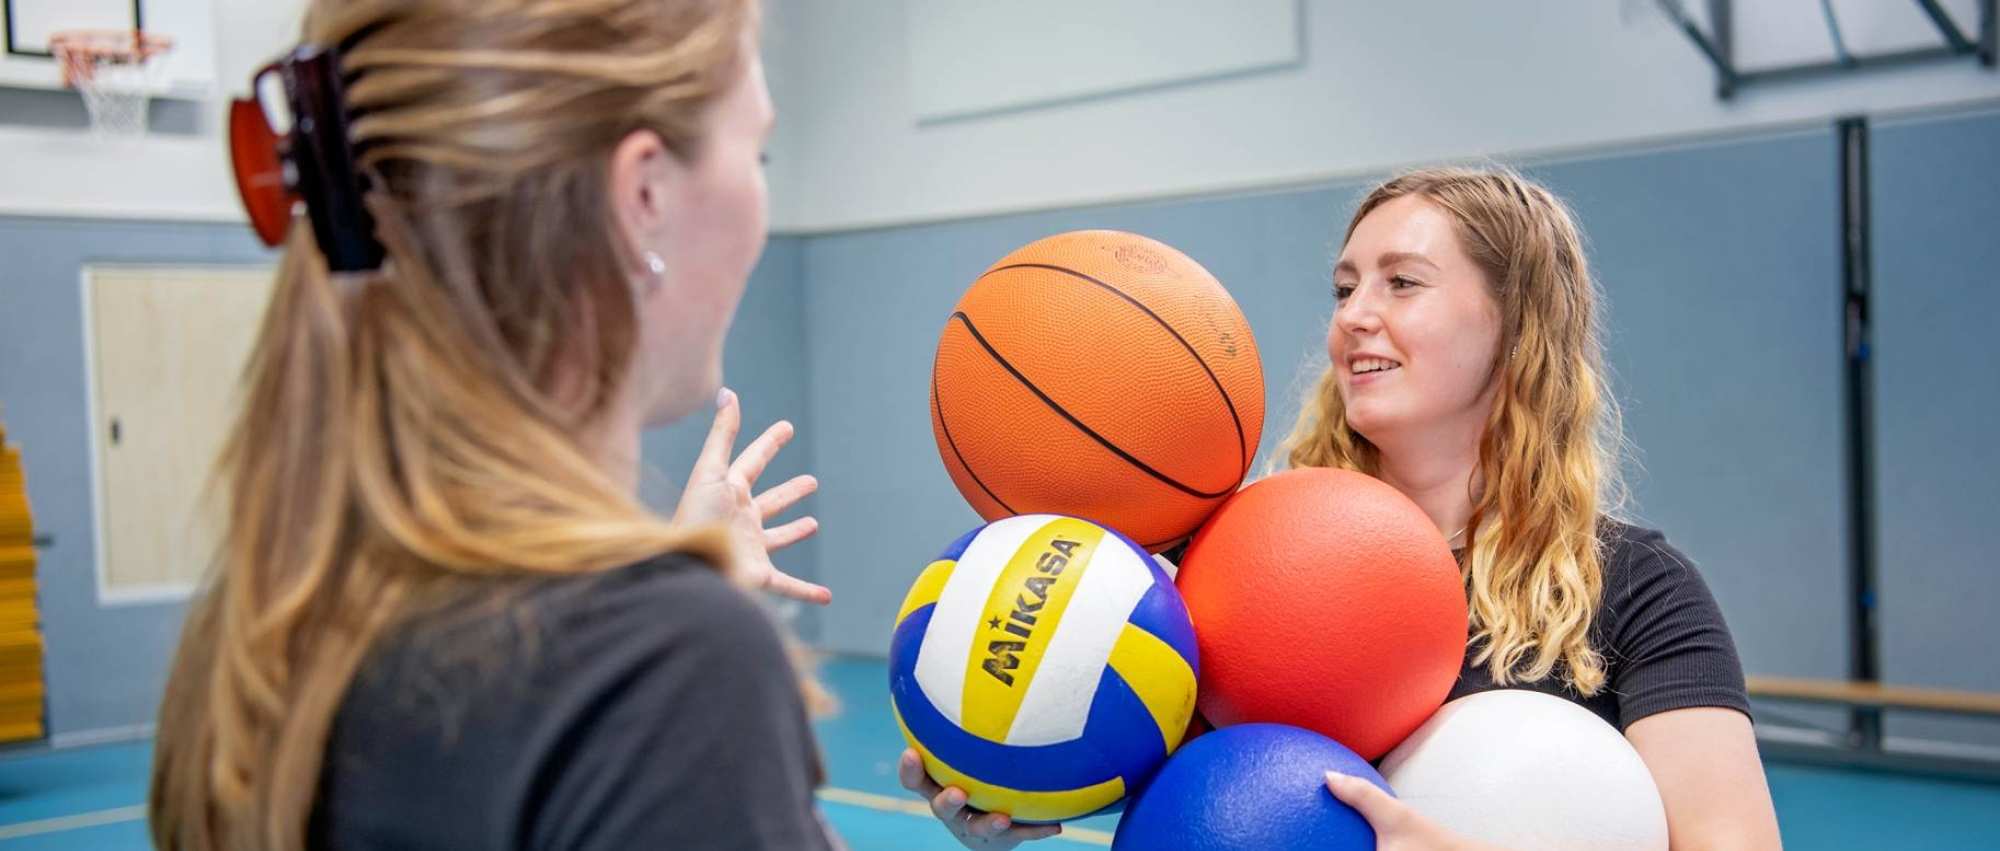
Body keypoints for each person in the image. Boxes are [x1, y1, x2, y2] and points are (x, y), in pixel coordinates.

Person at [900, 167, 1785, 849]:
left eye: (1402, 283)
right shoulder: (1224, 575)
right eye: (1344, 286)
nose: (1354, 315)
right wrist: (1014, 780)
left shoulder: (1632, 587)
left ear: (1516, 324)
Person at [147, 1, 839, 849]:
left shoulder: (269, 620)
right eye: (757, 150)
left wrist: (664, 583)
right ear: (644, 194)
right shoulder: (664, 672)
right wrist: (665, 619)